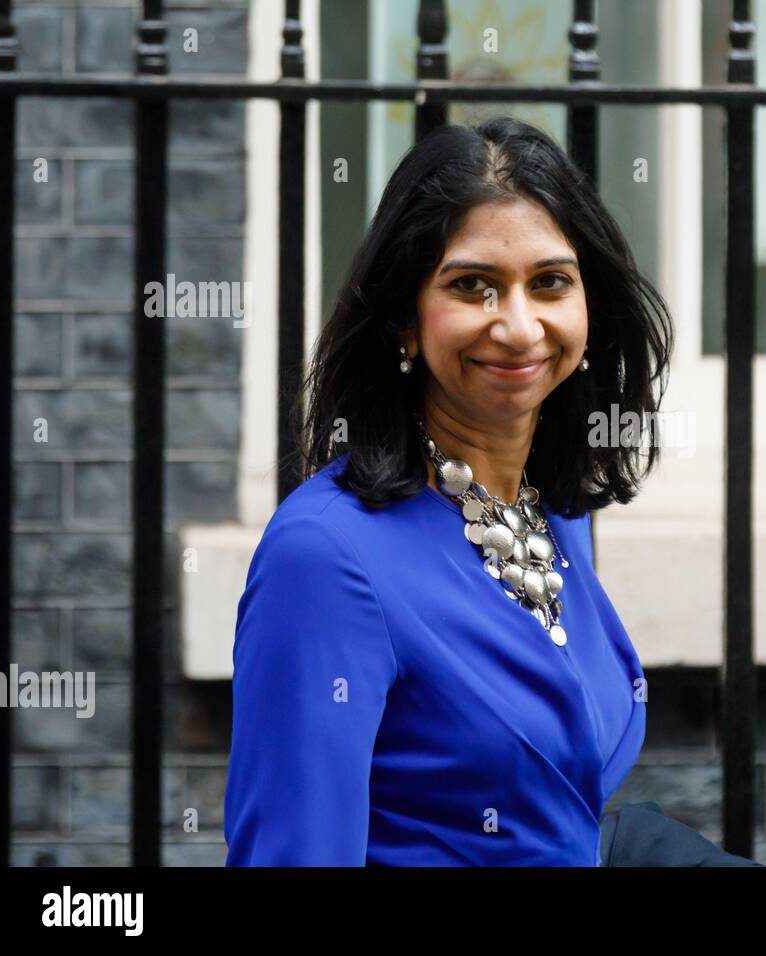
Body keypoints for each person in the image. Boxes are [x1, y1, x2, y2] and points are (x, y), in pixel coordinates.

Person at [224, 116, 679, 865]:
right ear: (405, 320)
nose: (520, 325)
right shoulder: (326, 559)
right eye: (473, 286)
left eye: (550, 282)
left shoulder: (556, 510)